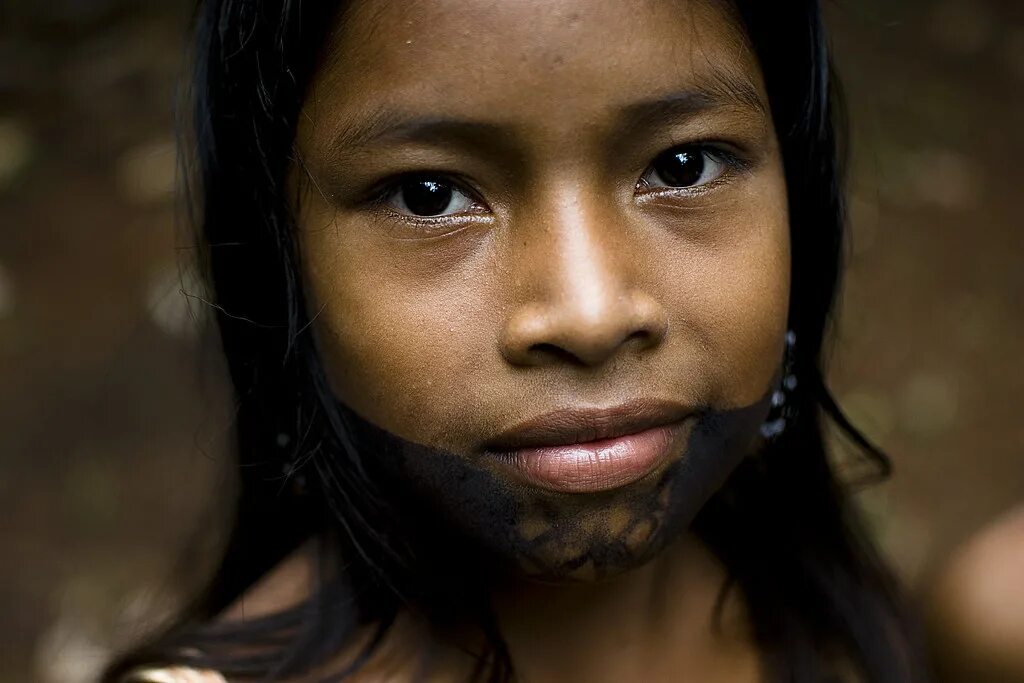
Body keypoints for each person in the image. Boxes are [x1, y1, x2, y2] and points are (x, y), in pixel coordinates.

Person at [103, 0, 930, 681]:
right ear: (284, 269)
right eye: (429, 196)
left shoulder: (844, 627)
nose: (589, 312)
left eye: (683, 166)